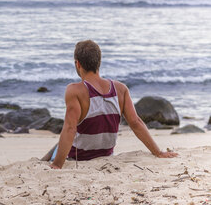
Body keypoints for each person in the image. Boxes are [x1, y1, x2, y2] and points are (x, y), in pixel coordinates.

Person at [41, 40, 177, 169]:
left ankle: (44, 162)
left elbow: (70, 129)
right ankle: (43, 160)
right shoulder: (120, 89)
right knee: (60, 143)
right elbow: (136, 122)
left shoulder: (74, 90)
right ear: (98, 63)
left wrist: (57, 165)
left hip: (78, 157)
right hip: (106, 156)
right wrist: (158, 152)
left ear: (78, 64)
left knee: (59, 143)